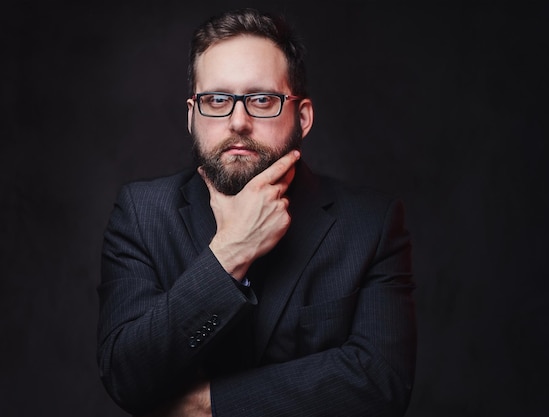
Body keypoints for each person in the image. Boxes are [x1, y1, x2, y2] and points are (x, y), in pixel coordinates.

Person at [97, 7, 416, 417]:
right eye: (217, 99)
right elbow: (125, 373)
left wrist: (209, 404)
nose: (238, 121)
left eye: (262, 99)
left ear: (302, 117)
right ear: (193, 116)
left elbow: (380, 382)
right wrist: (230, 253)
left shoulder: (371, 222)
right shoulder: (142, 214)